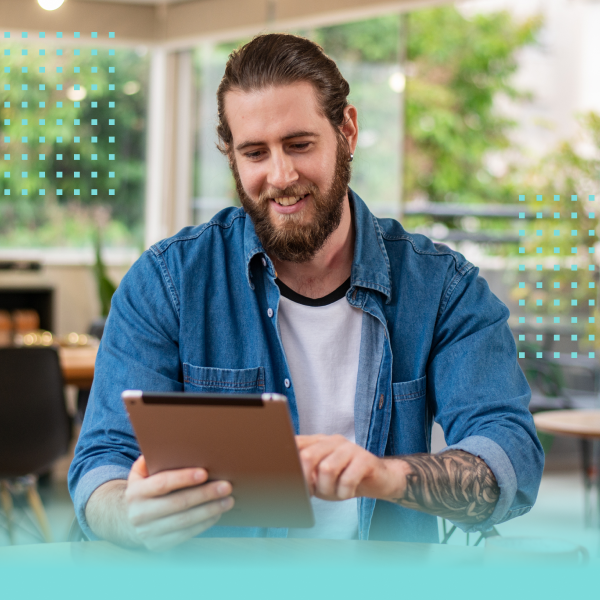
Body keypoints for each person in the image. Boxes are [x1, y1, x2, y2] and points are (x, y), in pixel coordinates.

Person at [68, 33, 543, 551]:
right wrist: (128, 513)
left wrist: (384, 475)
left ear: (348, 131)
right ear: (233, 158)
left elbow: (511, 453)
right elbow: (101, 465)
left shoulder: (442, 287)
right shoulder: (168, 282)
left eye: (299, 144)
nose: (281, 175)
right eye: (255, 152)